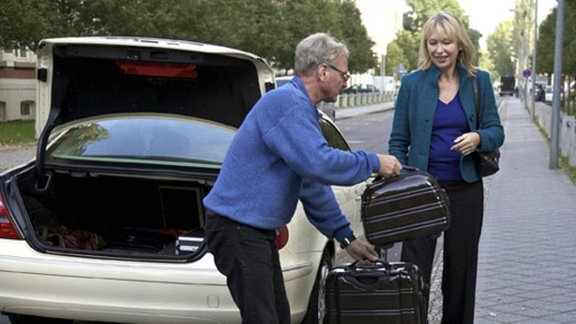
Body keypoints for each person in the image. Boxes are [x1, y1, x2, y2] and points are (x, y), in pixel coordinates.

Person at [203, 32, 402, 323]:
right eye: (343, 74)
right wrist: (374, 162)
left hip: (252, 232)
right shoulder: (287, 104)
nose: (346, 83)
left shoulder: (300, 111)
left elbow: (311, 185)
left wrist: (346, 238)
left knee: (279, 317)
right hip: (237, 229)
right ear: (323, 71)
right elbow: (320, 163)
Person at [388, 11, 505, 324]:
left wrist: (479, 137)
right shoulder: (412, 84)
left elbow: (497, 131)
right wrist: (402, 180)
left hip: (465, 188)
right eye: (433, 43)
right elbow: (398, 141)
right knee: (414, 270)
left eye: (446, 43)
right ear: (426, 46)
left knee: (461, 269)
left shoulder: (478, 81)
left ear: (459, 45)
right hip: (422, 190)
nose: (439, 50)